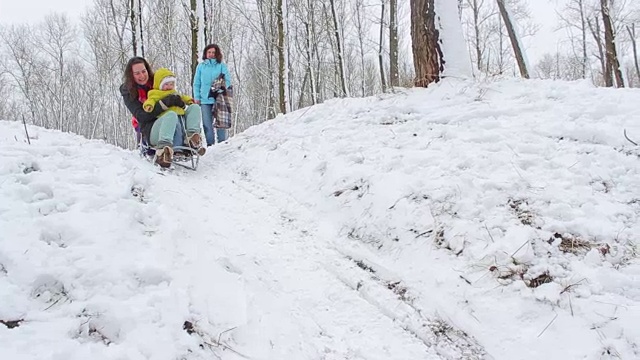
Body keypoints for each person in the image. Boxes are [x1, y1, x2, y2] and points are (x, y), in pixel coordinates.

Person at [120, 57, 205, 168]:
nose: (141, 76)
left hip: (175, 122)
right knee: (171, 115)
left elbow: (175, 93)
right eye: (137, 73)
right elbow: (141, 116)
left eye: (143, 71)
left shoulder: (159, 81)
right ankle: (163, 152)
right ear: (131, 75)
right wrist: (164, 104)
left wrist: (181, 102)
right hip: (151, 128)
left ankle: (192, 139)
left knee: (194, 108)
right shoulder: (128, 90)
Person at [192, 44, 232, 146]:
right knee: (207, 124)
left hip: (219, 98)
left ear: (217, 54)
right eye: (209, 52)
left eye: (213, 52)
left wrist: (221, 89)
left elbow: (228, 80)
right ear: (205, 53)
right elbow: (196, 83)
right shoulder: (200, 67)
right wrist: (197, 97)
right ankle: (210, 145)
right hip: (205, 100)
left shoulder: (221, 65)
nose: (211, 54)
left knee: (221, 124)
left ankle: (222, 145)